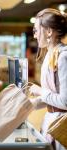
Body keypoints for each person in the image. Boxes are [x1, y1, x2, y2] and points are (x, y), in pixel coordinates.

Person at [29, 8, 67, 150]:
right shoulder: (50, 56)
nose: (35, 35)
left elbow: (64, 102)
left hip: (61, 126)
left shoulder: (63, 56)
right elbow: (51, 99)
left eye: (37, 30)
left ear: (49, 32)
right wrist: (30, 105)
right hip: (51, 121)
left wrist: (40, 91)